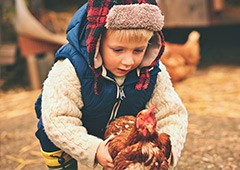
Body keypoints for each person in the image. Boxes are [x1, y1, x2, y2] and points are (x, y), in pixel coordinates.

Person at [35, 0, 188, 169]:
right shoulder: (70, 68)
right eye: (118, 50)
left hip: (126, 133)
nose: (128, 61)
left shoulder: (153, 72)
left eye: (138, 50)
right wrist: (94, 149)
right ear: (97, 41)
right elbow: (58, 119)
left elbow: (172, 115)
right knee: (46, 130)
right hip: (78, 128)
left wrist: (163, 152)